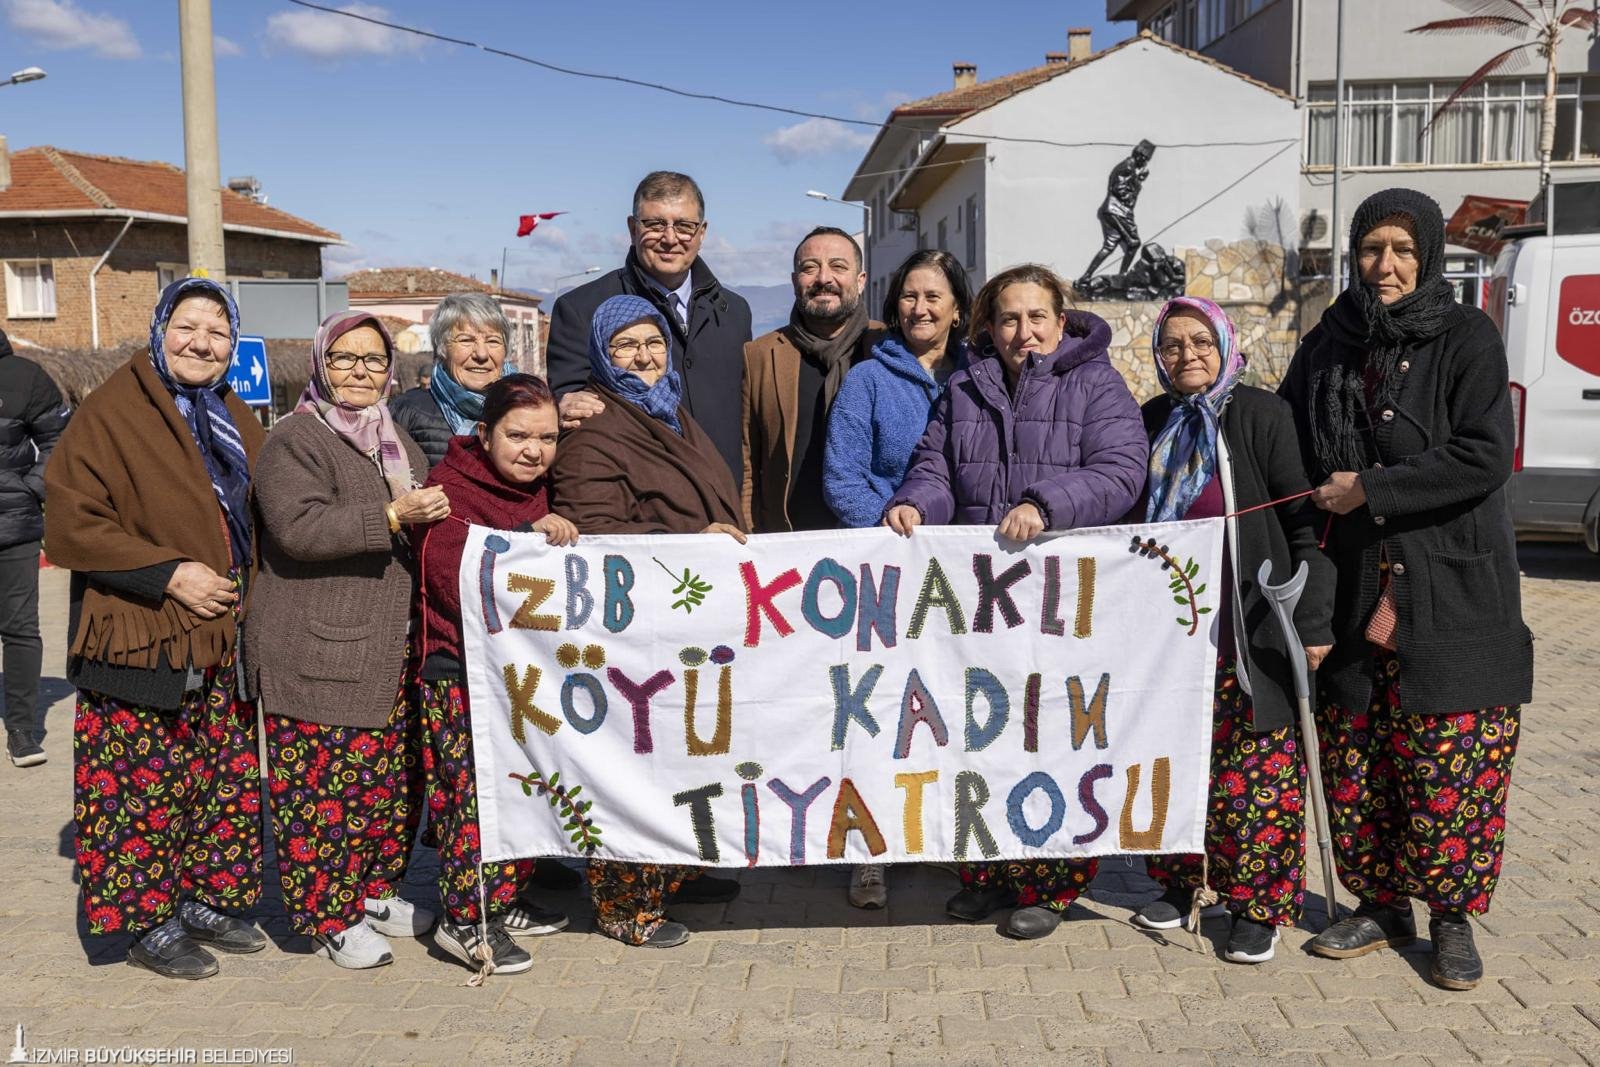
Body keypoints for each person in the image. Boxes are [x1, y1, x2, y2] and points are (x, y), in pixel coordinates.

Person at [1280, 188, 1532, 991]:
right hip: (1353, 586)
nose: (1383, 265)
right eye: (1369, 249)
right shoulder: (1327, 343)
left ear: (1425, 254)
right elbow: (1288, 440)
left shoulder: (1467, 337)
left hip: (1453, 589)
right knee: (1359, 754)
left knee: (1450, 759)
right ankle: (1381, 904)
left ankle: (1451, 917)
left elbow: (1483, 454)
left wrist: (1373, 488)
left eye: (1400, 249)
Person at [885, 263, 1147, 939]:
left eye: (1036, 317)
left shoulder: (1097, 383)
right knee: (982, 731)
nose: (1022, 331)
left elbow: (1121, 471)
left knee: (1050, 734)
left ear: (1062, 321)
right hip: (980, 600)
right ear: (989, 326)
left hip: (1060, 601)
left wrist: (1044, 502)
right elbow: (936, 466)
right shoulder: (963, 387)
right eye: (1008, 318)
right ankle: (988, 872)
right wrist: (915, 504)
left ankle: (1050, 882)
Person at [45, 278, 268, 980]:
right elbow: (72, 521)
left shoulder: (231, 412)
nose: (202, 341)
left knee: (217, 778)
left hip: (218, 634)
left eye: (218, 330)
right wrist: (171, 573)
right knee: (140, 788)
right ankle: (145, 920)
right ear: (158, 328)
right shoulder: (113, 409)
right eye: (187, 325)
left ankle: (204, 896)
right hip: (140, 632)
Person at [1126, 296, 1335, 965]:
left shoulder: (1262, 415)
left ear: (1224, 344)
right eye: (1173, 345)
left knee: (1256, 772)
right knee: (1175, 761)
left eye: (1200, 342)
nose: (1187, 355)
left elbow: (1307, 525)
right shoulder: (1152, 420)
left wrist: (1313, 619)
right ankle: (1184, 880)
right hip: (1171, 632)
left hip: (1249, 626)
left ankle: (1257, 904)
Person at [550, 294, 746, 948]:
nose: (644, 357)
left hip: (684, 620)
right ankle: (626, 904)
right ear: (603, 356)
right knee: (634, 768)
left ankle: (676, 873)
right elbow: (599, 533)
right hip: (634, 632)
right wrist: (697, 538)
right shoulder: (597, 430)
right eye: (626, 346)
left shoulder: (670, 413)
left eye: (653, 343)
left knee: (682, 759)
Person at [248, 312, 441, 969]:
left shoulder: (396, 441)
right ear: (320, 365)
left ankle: (374, 890)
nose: (360, 372)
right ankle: (327, 913)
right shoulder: (295, 438)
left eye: (373, 360)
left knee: (383, 783)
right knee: (321, 792)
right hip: (317, 646)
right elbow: (297, 529)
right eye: (344, 359)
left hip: (386, 648)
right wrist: (391, 515)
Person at [822, 248, 971, 909]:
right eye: (910, 296)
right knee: (884, 712)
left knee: (959, 707)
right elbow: (842, 476)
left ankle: (958, 836)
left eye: (934, 296)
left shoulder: (982, 376)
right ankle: (868, 850)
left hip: (967, 576)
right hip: (890, 574)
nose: (921, 307)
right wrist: (894, 527)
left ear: (958, 308)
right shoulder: (866, 382)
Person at [418, 374, 576, 975]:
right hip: (458, 671)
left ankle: (503, 900)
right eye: (517, 435)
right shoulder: (448, 488)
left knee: (524, 789)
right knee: (473, 798)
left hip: (523, 673)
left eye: (547, 437)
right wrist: (522, 543)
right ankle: (467, 920)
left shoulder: (539, 491)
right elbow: (447, 573)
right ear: (483, 434)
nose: (533, 450)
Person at [546, 171, 753, 486]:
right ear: (632, 229)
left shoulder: (735, 312)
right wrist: (561, 406)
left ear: (702, 232)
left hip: (726, 504)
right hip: (637, 508)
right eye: (655, 224)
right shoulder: (581, 309)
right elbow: (569, 411)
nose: (670, 238)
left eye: (684, 225)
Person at [742, 226, 883, 533]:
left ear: (860, 281)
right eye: (810, 268)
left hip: (876, 543)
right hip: (788, 545)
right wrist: (752, 536)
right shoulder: (760, 355)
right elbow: (747, 460)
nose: (823, 279)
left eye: (838, 266)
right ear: (795, 282)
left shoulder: (886, 348)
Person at [0, 328, 67, 767]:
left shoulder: (24, 376)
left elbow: (59, 439)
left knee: (20, 627)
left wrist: (30, 489)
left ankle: (23, 730)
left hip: (13, 526)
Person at [390, 292, 512, 469]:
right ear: (442, 350)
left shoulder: (529, 408)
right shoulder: (406, 412)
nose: (482, 354)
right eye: (466, 340)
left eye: (493, 341)